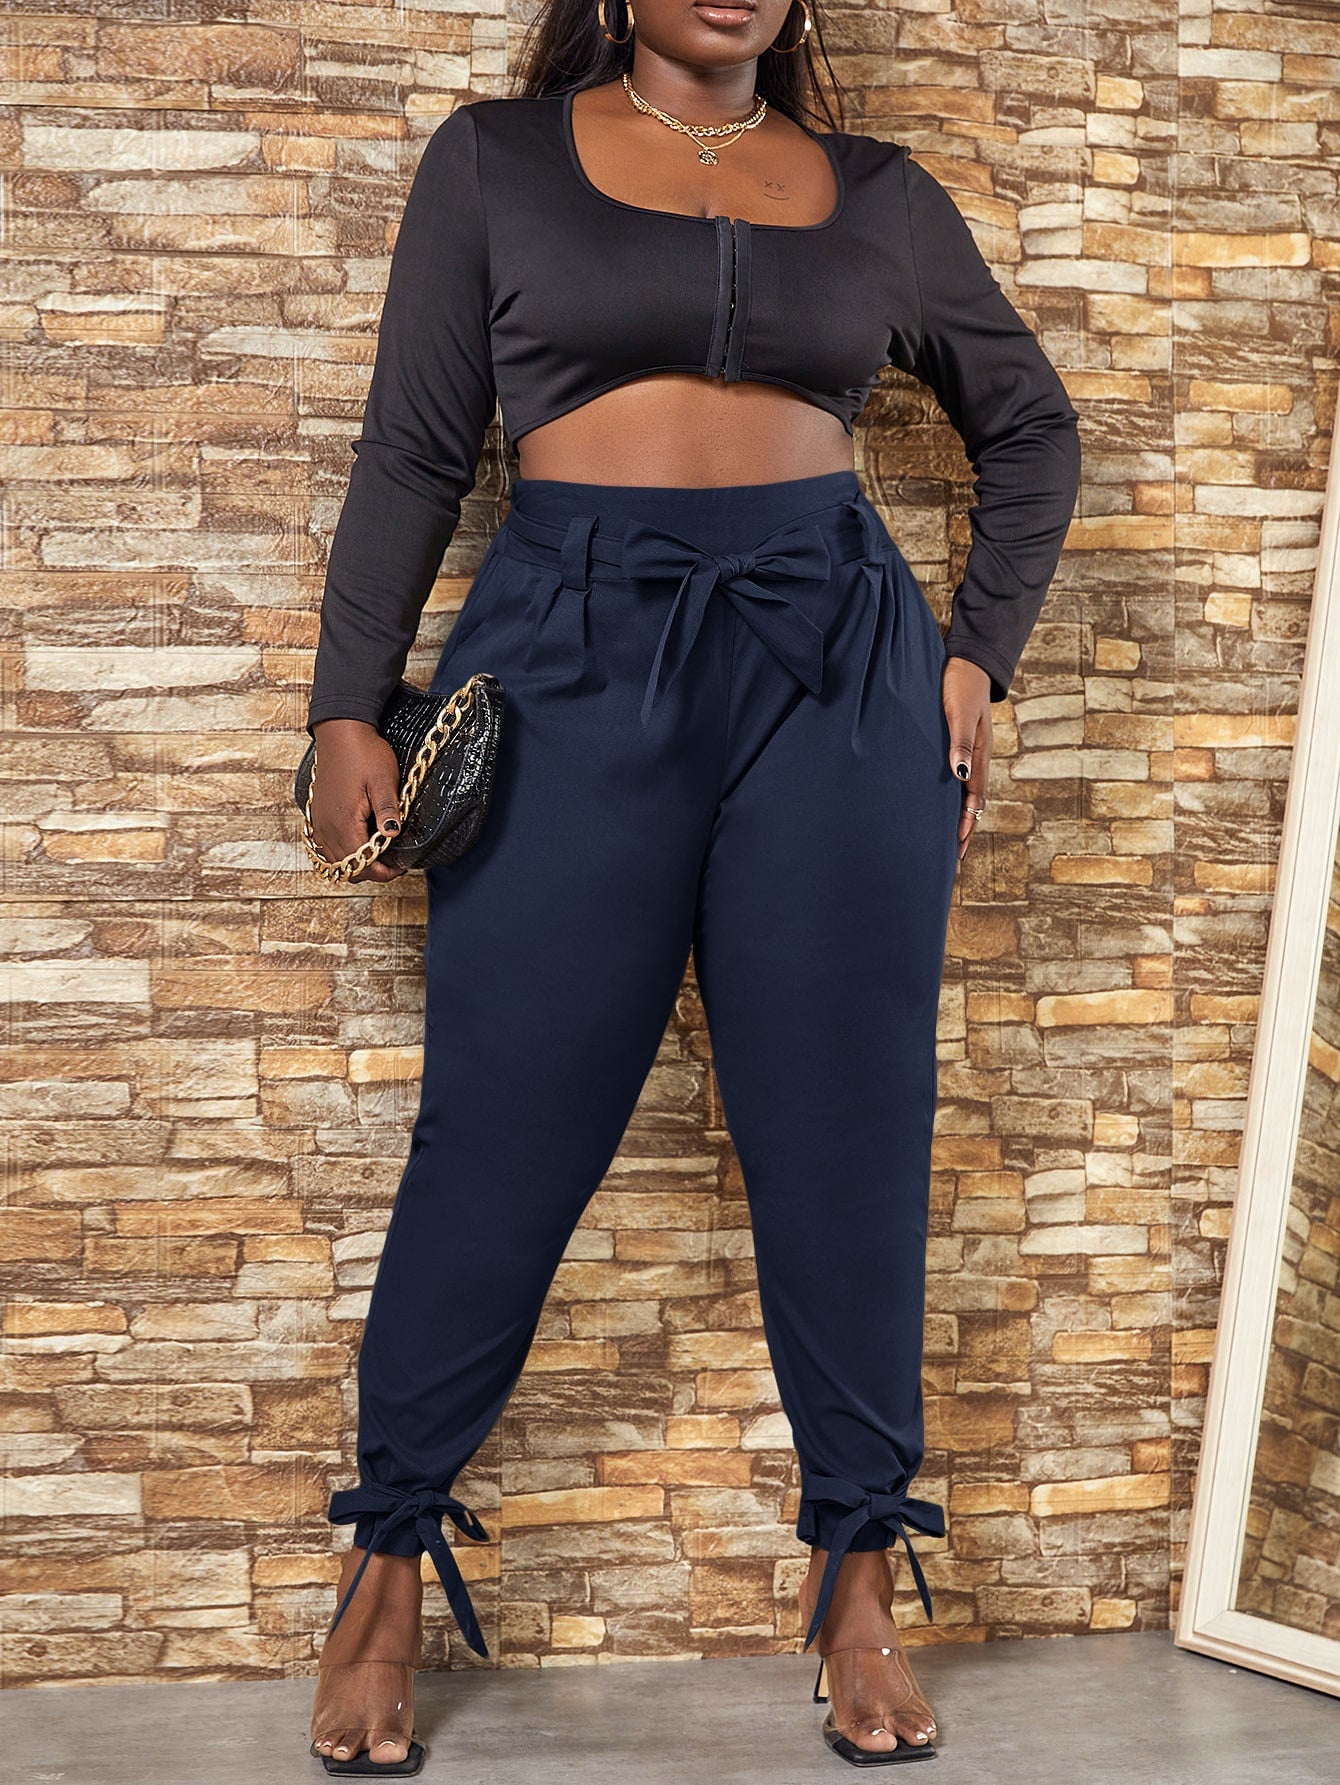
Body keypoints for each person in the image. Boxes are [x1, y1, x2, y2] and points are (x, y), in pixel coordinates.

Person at [302, 0, 1082, 1771]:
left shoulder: (880, 196)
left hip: (838, 677)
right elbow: (416, 445)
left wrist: (976, 655)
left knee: (851, 1126)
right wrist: (348, 700)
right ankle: (386, 1561)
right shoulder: (493, 164)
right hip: (569, 659)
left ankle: (860, 1576)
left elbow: (1033, 426)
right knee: (502, 1123)